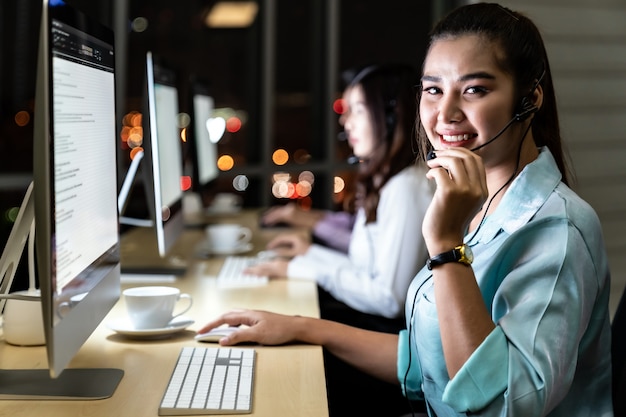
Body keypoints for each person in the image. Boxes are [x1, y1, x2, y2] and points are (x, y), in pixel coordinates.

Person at [199, 3, 613, 415]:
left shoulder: (558, 229)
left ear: (528, 99)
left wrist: (445, 244)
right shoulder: (478, 203)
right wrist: (300, 327)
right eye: (433, 89)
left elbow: (500, 407)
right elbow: (423, 364)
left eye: (474, 89)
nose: (445, 114)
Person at [252, 63, 434, 416]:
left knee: (283, 369)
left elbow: (388, 299)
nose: (344, 121)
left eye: (357, 111)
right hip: (378, 329)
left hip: (390, 346)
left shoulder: (407, 188)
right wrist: (304, 261)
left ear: (393, 117)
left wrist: (306, 265)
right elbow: (362, 264)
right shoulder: (388, 183)